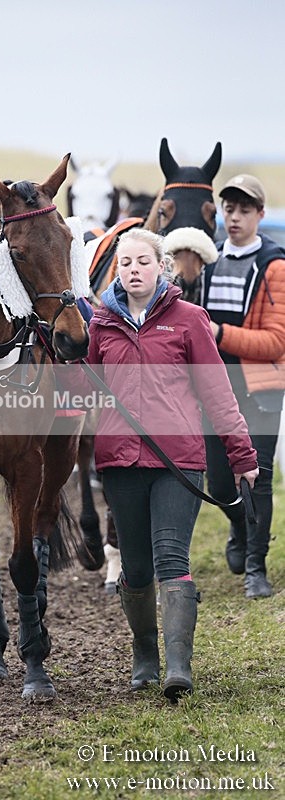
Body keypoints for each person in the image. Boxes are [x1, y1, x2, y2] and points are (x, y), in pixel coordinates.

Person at [62, 228, 258, 701]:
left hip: (178, 462)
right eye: (125, 263)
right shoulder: (101, 325)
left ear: (161, 267)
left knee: (172, 558)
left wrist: (242, 454)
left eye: (142, 262)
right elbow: (81, 392)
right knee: (134, 565)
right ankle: (145, 656)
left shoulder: (189, 320)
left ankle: (178, 666)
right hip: (120, 462)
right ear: (117, 272)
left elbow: (217, 393)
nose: (133, 270)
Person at [202, 175, 285, 599]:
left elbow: (276, 341)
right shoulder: (207, 260)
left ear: (260, 215)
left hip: (262, 387)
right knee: (219, 483)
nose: (235, 218)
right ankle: (240, 528)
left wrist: (218, 334)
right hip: (215, 389)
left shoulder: (275, 265)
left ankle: (256, 568)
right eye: (229, 210)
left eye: (245, 211)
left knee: (259, 478)